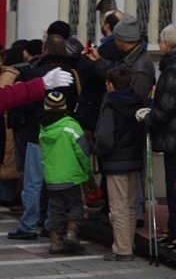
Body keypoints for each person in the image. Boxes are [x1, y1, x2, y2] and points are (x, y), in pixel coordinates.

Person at [7, 37, 81, 241]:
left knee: (33, 182)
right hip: (63, 134)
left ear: (45, 50)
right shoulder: (72, 73)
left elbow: (24, 104)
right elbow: (75, 102)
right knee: (54, 182)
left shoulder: (35, 72)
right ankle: (52, 225)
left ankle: (28, 224)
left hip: (37, 132)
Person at [135, 24, 176, 249]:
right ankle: (175, 229)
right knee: (174, 184)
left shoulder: (174, 68)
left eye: (160, 41)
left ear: (167, 44)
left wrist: (148, 119)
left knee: (173, 184)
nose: (159, 45)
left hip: (174, 134)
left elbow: (168, 103)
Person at [93, 68, 145, 262]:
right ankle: (128, 243)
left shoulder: (110, 106)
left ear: (110, 85)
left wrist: (99, 150)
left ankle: (122, 249)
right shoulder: (138, 102)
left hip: (116, 161)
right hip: (134, 159)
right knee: (130, 205)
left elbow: (105, 139)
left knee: (118, 207)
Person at [39, 91, 91, 255]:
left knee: (56, 209)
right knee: (75, 205)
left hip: (52, 177)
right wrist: (87, 171)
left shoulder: (43, 128)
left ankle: (55, 242)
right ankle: (71, 234)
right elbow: (82, 152)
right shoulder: (71, 126)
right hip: (71, 175)